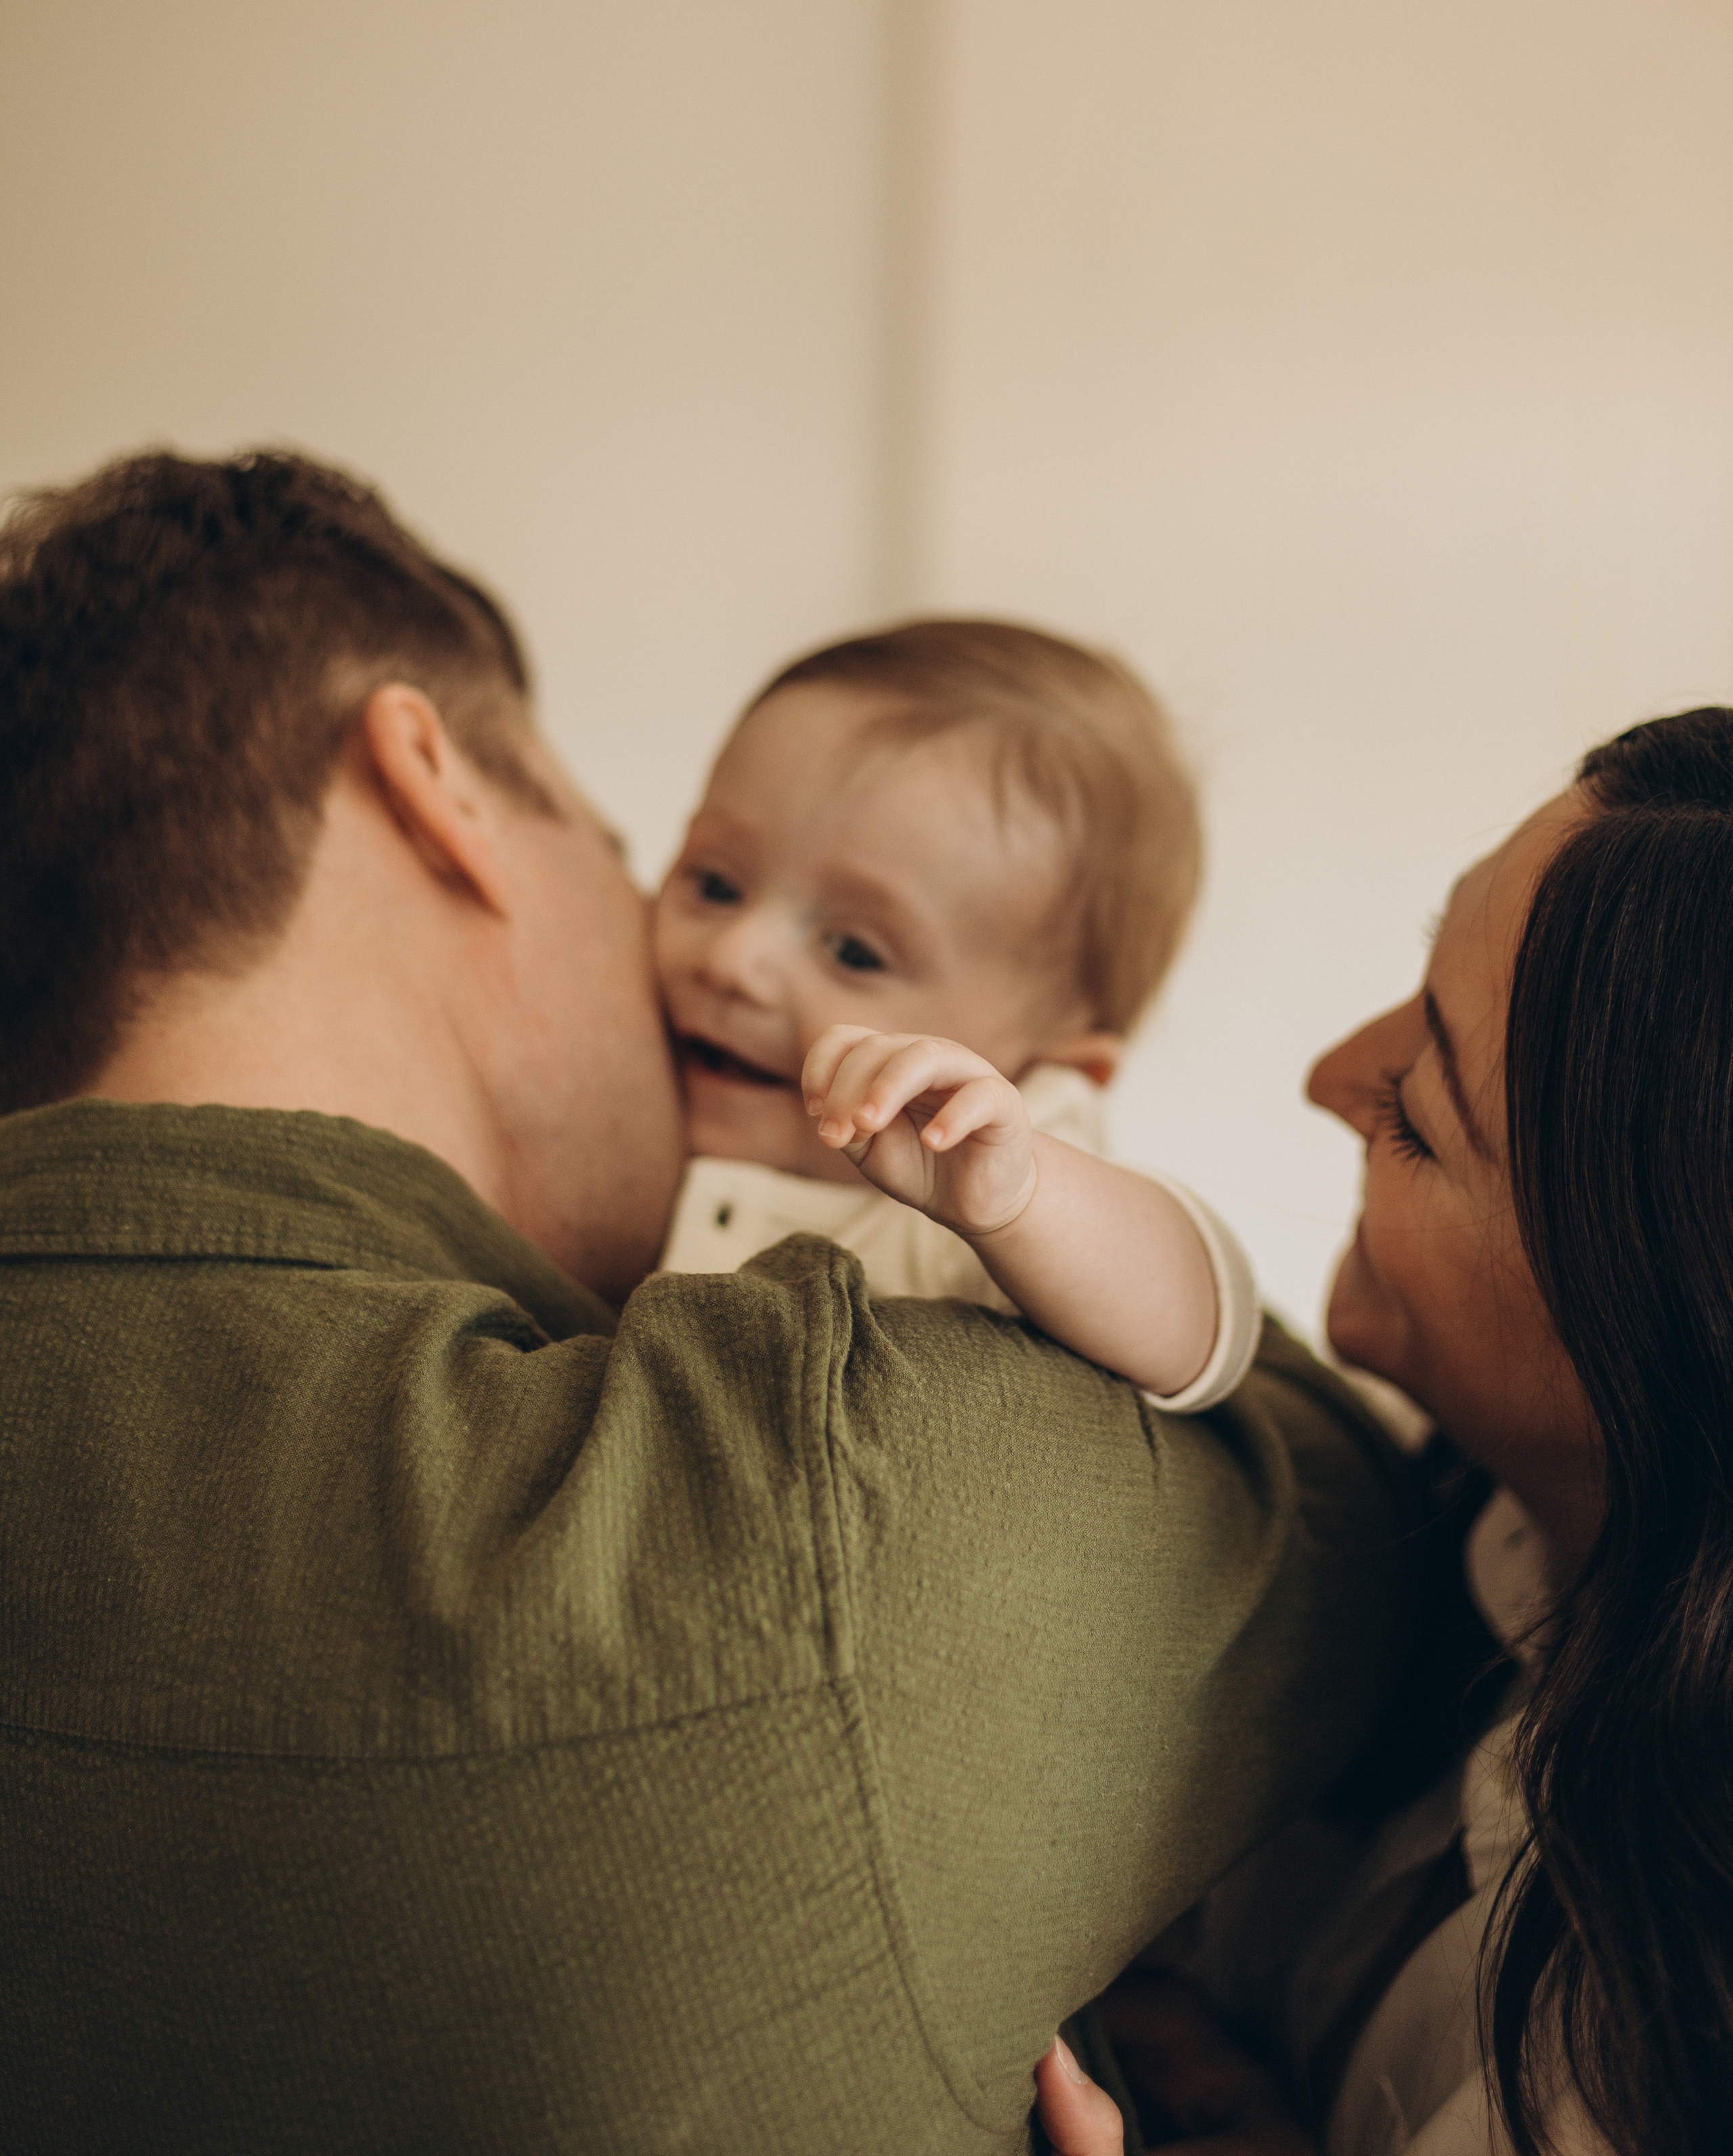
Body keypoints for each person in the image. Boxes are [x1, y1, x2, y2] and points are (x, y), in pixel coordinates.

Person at [0, 448, 1418, 2156]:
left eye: (853, 944)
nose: (722, 967)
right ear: (430, 782)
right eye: (670, 865)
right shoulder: (801, 1482)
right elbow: (1340, 1496)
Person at [1087, 710, 1733, 2156]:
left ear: (1644, 1330)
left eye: (1419, 1115)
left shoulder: (1636, 2067)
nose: (1330, 1071)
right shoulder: (1443, 1528)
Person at [657, 622, 1260, 1409]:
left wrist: (1018, 1200)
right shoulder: (645, 1086)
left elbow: (1201, 1322)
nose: (733, 959)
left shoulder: (963, 1212)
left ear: (1049, 1069)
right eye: (714, 885)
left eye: (854, 951)